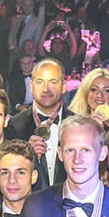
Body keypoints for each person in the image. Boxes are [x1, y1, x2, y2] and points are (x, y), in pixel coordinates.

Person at [9, 59, 68, 188]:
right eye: (40, 82)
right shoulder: (14, 126)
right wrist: (26, 156)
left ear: (64, 86)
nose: (46, 89)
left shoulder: (78, 125)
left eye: (53, 82)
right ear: (31, 86)